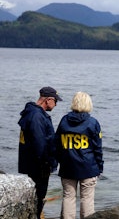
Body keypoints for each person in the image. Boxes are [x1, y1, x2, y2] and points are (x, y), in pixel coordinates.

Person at [55, 91, 103, 219]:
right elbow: (97, 148)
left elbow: (57, 144)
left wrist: (60, 161)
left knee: (68, 197)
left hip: (67, 166)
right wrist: (100, 167)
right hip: (88, 167)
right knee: (86, 199)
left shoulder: (64, 121)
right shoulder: (93, 123)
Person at [18, 86, 63, 219]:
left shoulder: (31, 113)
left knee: (34, 197)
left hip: (31, 163)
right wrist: (46, 163)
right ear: (48, 100)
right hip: (38, 166)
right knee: (38, 198)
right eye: (56, 101)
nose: (56, 104)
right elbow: (40, 143)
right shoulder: (37, 116)